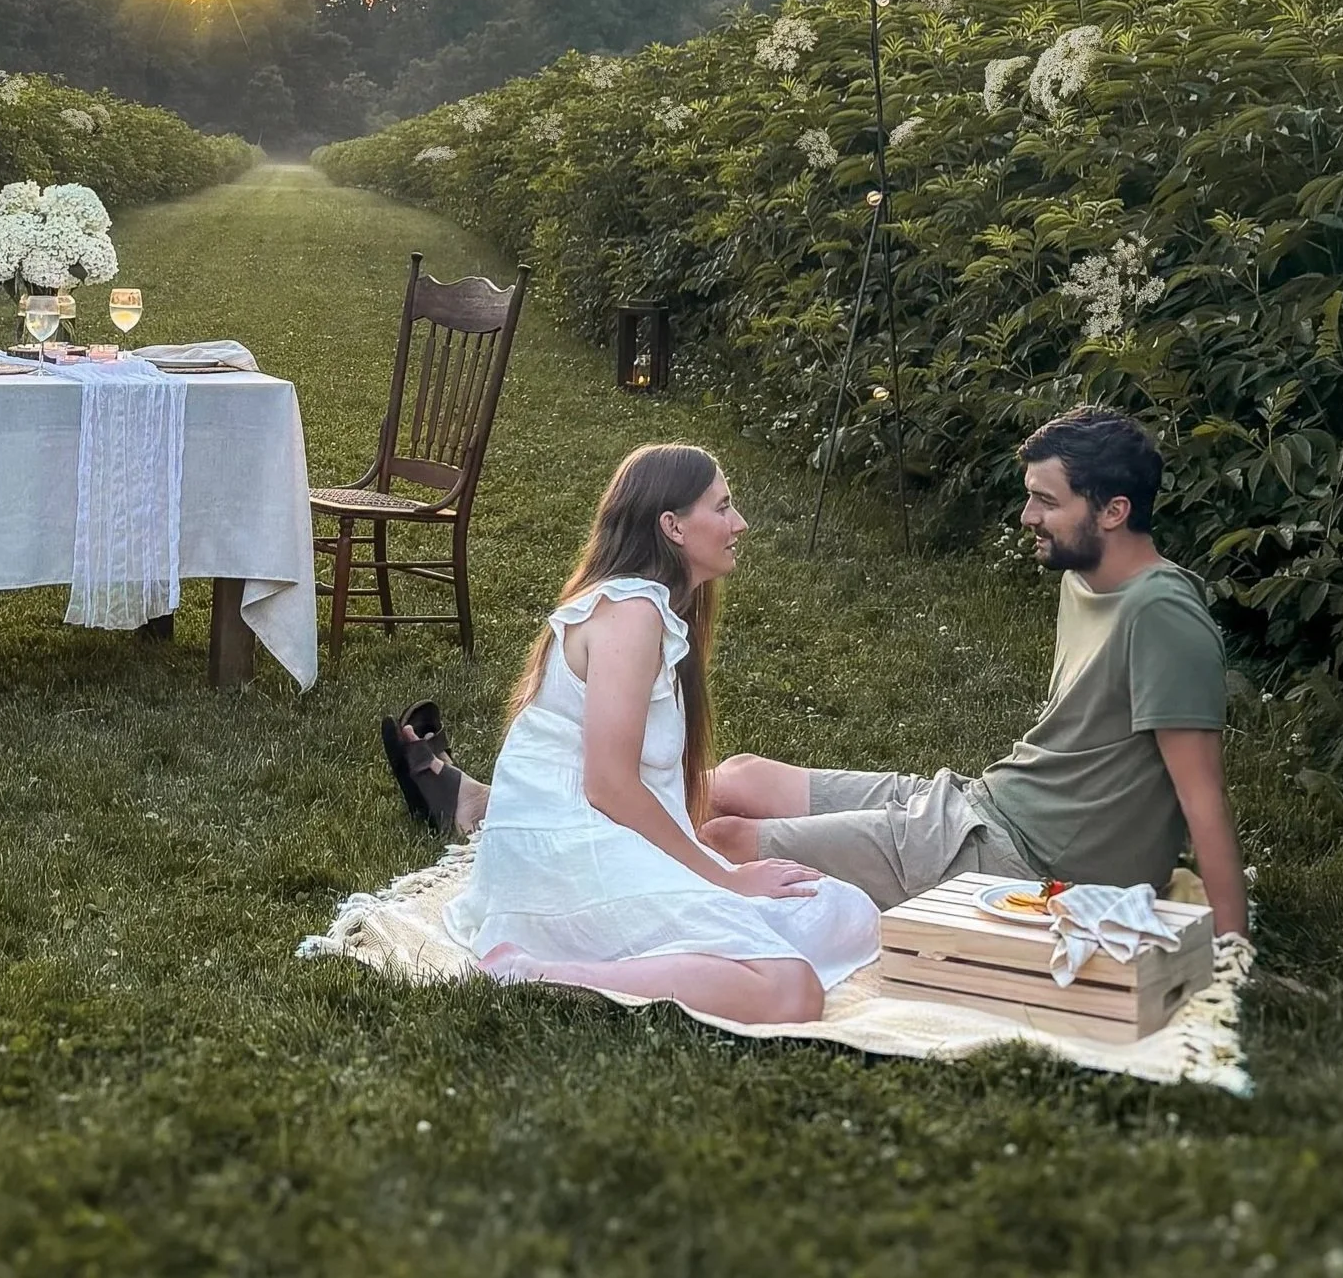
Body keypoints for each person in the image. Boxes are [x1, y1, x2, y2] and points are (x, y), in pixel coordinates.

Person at [394, 406, 1249, 941]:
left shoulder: (1161, 617)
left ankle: (513, 826)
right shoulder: (1085, 579)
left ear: (1114, 511)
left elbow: (1199, 795)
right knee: (734, 778)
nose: (1025, 515)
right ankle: (499, 814)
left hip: (1019, 854)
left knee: (722, 837)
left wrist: (1232, 944)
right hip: (981, 802)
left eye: (1044, 500)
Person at [420, 444, 881, 1026]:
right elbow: (608, 786)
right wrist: (724, 876)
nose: (739, 524)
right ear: (672, 526)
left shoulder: (656, 611)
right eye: (722, 507)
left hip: (608, 835)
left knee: (848, 913)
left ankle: (686, 949)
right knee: (790, 990)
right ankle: (534, 971)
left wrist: (718, 875)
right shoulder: (630, 612)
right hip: (569, 850)